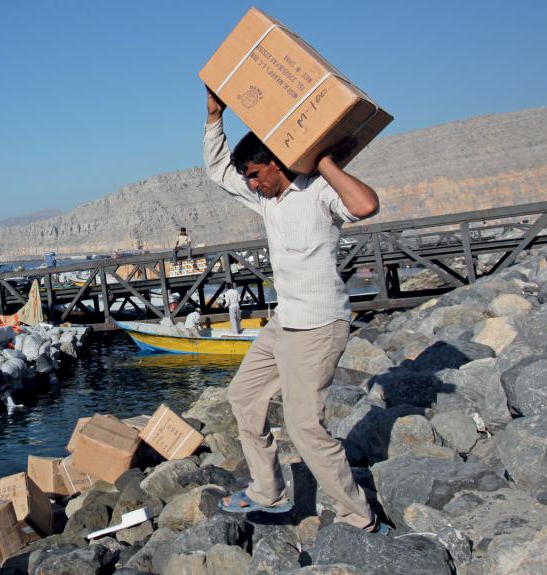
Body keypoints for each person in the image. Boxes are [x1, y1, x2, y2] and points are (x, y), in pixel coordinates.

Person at [203, 87, 384, 532]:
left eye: (255, 173)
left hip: (320, 327)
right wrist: (213, 115)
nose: (250, 182)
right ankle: (269, 491)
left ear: (278, 165)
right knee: (243, 398)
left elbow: (365, 205)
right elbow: (216, 170)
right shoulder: (265, 199)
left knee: (305, 428)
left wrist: (323, 160)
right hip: (284, 324)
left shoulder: (319, 191)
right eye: (247, 176)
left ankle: (359, 516)